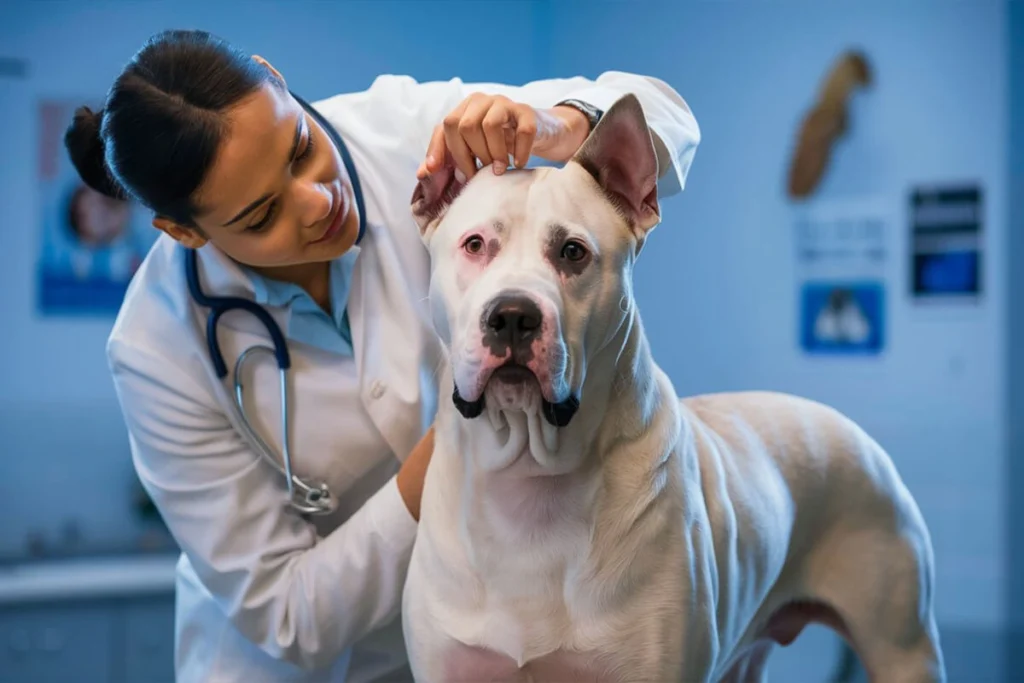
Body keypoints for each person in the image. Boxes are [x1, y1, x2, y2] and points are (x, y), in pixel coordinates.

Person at [64, 28, 700, 683]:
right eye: (261, 215)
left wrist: (556, 126)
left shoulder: (415, 137)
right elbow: (288, 616)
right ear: (184, 231)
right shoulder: (156, 348)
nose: (319, 202)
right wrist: (450, 448)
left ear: (273, 76)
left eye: (300, 149)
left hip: (468, 629)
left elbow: (666, 113)